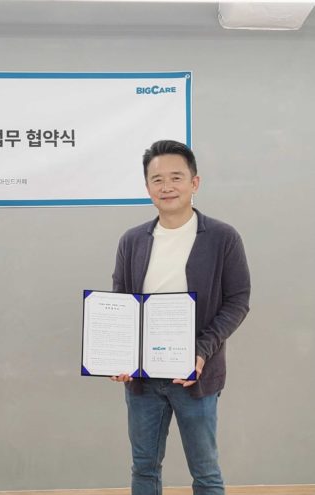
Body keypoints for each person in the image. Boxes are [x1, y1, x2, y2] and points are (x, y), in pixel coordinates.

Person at [110, 140, 250, 495]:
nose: (167, 186)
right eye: (157, 179)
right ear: (147, 187)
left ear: (194, 183)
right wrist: (119, 355)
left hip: (195, 376)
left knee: (206, 472)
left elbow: (238, 301)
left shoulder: (222, 238)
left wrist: (201, 351)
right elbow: (121, 303)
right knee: (144, 469)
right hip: (142, 379)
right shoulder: (132, 241)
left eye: (176, 177)